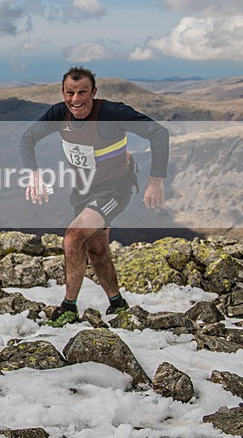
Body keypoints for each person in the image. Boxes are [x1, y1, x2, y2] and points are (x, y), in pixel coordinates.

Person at [19, 66, 168, 326]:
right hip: (83, 190)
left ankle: (68, 307)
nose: (76, 99)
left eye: (82, 92)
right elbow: (28, 138)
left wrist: (156, 180)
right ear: (63, 92)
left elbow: (159, 133)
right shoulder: (59, 113)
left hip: (114, 189)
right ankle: (118, 303)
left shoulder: (112, 112)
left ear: (94, 91)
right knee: (96, 249)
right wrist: (34, 174)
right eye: (70, 92)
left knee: (73, 236)